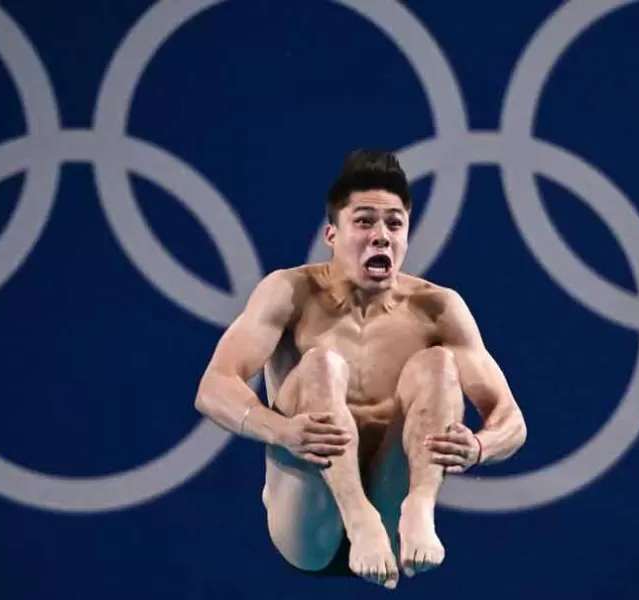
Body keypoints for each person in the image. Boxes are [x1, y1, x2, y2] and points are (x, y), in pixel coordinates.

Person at [194, 149, 527, 589]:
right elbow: (213, 388)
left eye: (394, 223)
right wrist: (280, 430)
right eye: (365, 221)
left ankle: (419, 507)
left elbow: (511, 420)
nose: (381, 236)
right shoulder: (289, 292)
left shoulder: (437, 308)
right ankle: (357, 515)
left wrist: (479, 447)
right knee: (321, 366)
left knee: (438, 365)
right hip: (307, 520)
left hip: (391, 517)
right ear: (332, 234)